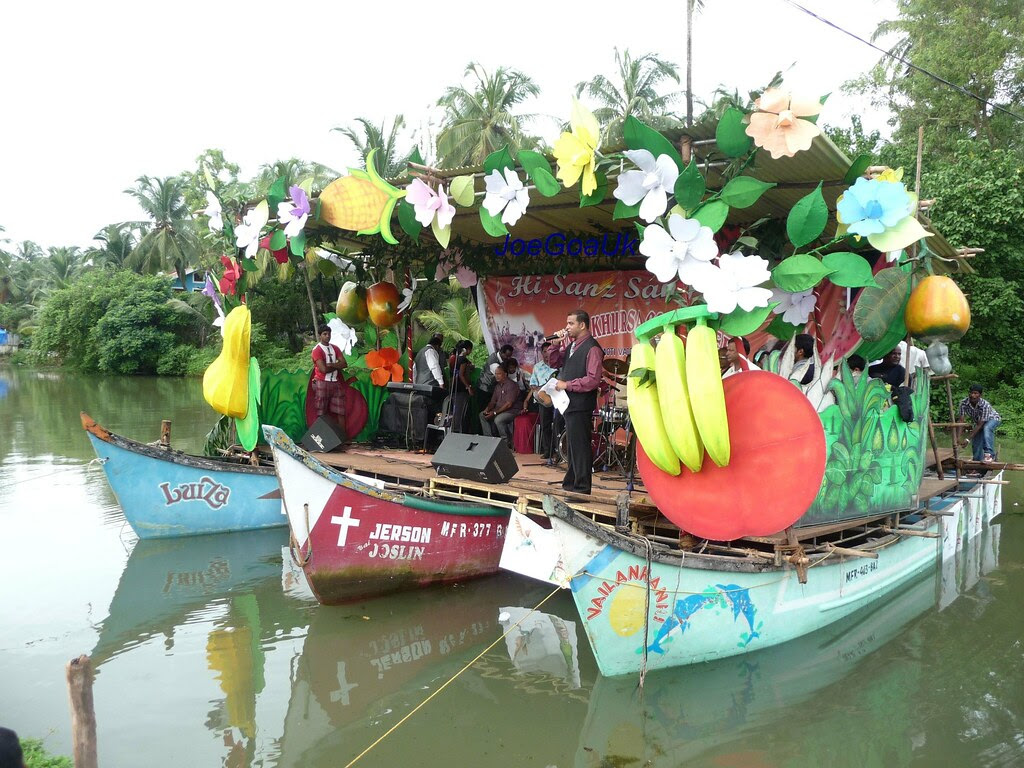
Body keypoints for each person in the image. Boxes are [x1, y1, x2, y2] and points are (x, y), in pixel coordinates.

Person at [550, 309, 605, 494]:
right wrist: (555, 345)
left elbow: (593, 380)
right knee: (573, 446)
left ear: (582, 325)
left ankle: (581, 487)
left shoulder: (592, 348)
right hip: (569, 403)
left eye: (571, 323)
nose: (567, 327)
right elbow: (554, 363)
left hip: (581, 404)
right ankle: (571, 483)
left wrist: (567, 384)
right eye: (567, 323)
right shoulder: (571, 346)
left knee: (580, 446)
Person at [311, 326, 347, 444]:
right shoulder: (317, 350)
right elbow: (323, 369)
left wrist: (331, 365)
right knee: (321, 411)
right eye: (325, 334)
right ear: (320, 335)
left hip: (335, 382)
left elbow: (344, 364)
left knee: (340, 411)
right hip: (322, 382)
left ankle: (342, 438)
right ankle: (321, 439)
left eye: (329, 334)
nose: (328, 336)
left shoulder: (335, 348)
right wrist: (336, 365)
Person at [524, 342, 559, 462]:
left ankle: (559, 451)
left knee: (558, 425)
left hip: (557, 398)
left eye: (549, 351)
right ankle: (548, 451)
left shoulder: (558, 365)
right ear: (541, 353)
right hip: (543, 399)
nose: (547, 354)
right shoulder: (537, 367)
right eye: (545, 351)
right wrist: (541, 389)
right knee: (545, 425)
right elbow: (533, 384)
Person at [479, 362, 519, 447]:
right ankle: (489, 440)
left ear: (505, 374)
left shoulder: (511, 385)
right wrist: (487, 410)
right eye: (496, 374)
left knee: (498, 419)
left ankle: (505, 442)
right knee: (482, 415)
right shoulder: (497, 386)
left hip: (511, 411)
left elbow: (509, 404)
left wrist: (494, 413)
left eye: (499, 374)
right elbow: (492, 402)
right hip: (498, 410)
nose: (496, 376)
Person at [959, 384, 1001, 462]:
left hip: (993, 419)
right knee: (976, 442)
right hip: (979, 422)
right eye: (971, 393)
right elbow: (961, 421)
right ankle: (977, 460)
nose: (973, 396)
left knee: (987, 428)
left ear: (980, 395)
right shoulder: (963, 403)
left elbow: (980, 425)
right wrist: (958, 437)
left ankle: (989, 454)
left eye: (976, 393)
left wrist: (967, 439)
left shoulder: (985, 405)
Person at [449, 340, 474, 433]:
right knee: (460, 411)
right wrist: (468, 387)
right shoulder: (462, 360)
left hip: (455, 386)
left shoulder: (455, 358)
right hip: (461, 387)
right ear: (467, 349)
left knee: (457, 410)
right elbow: (461, 375)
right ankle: (457, 431)